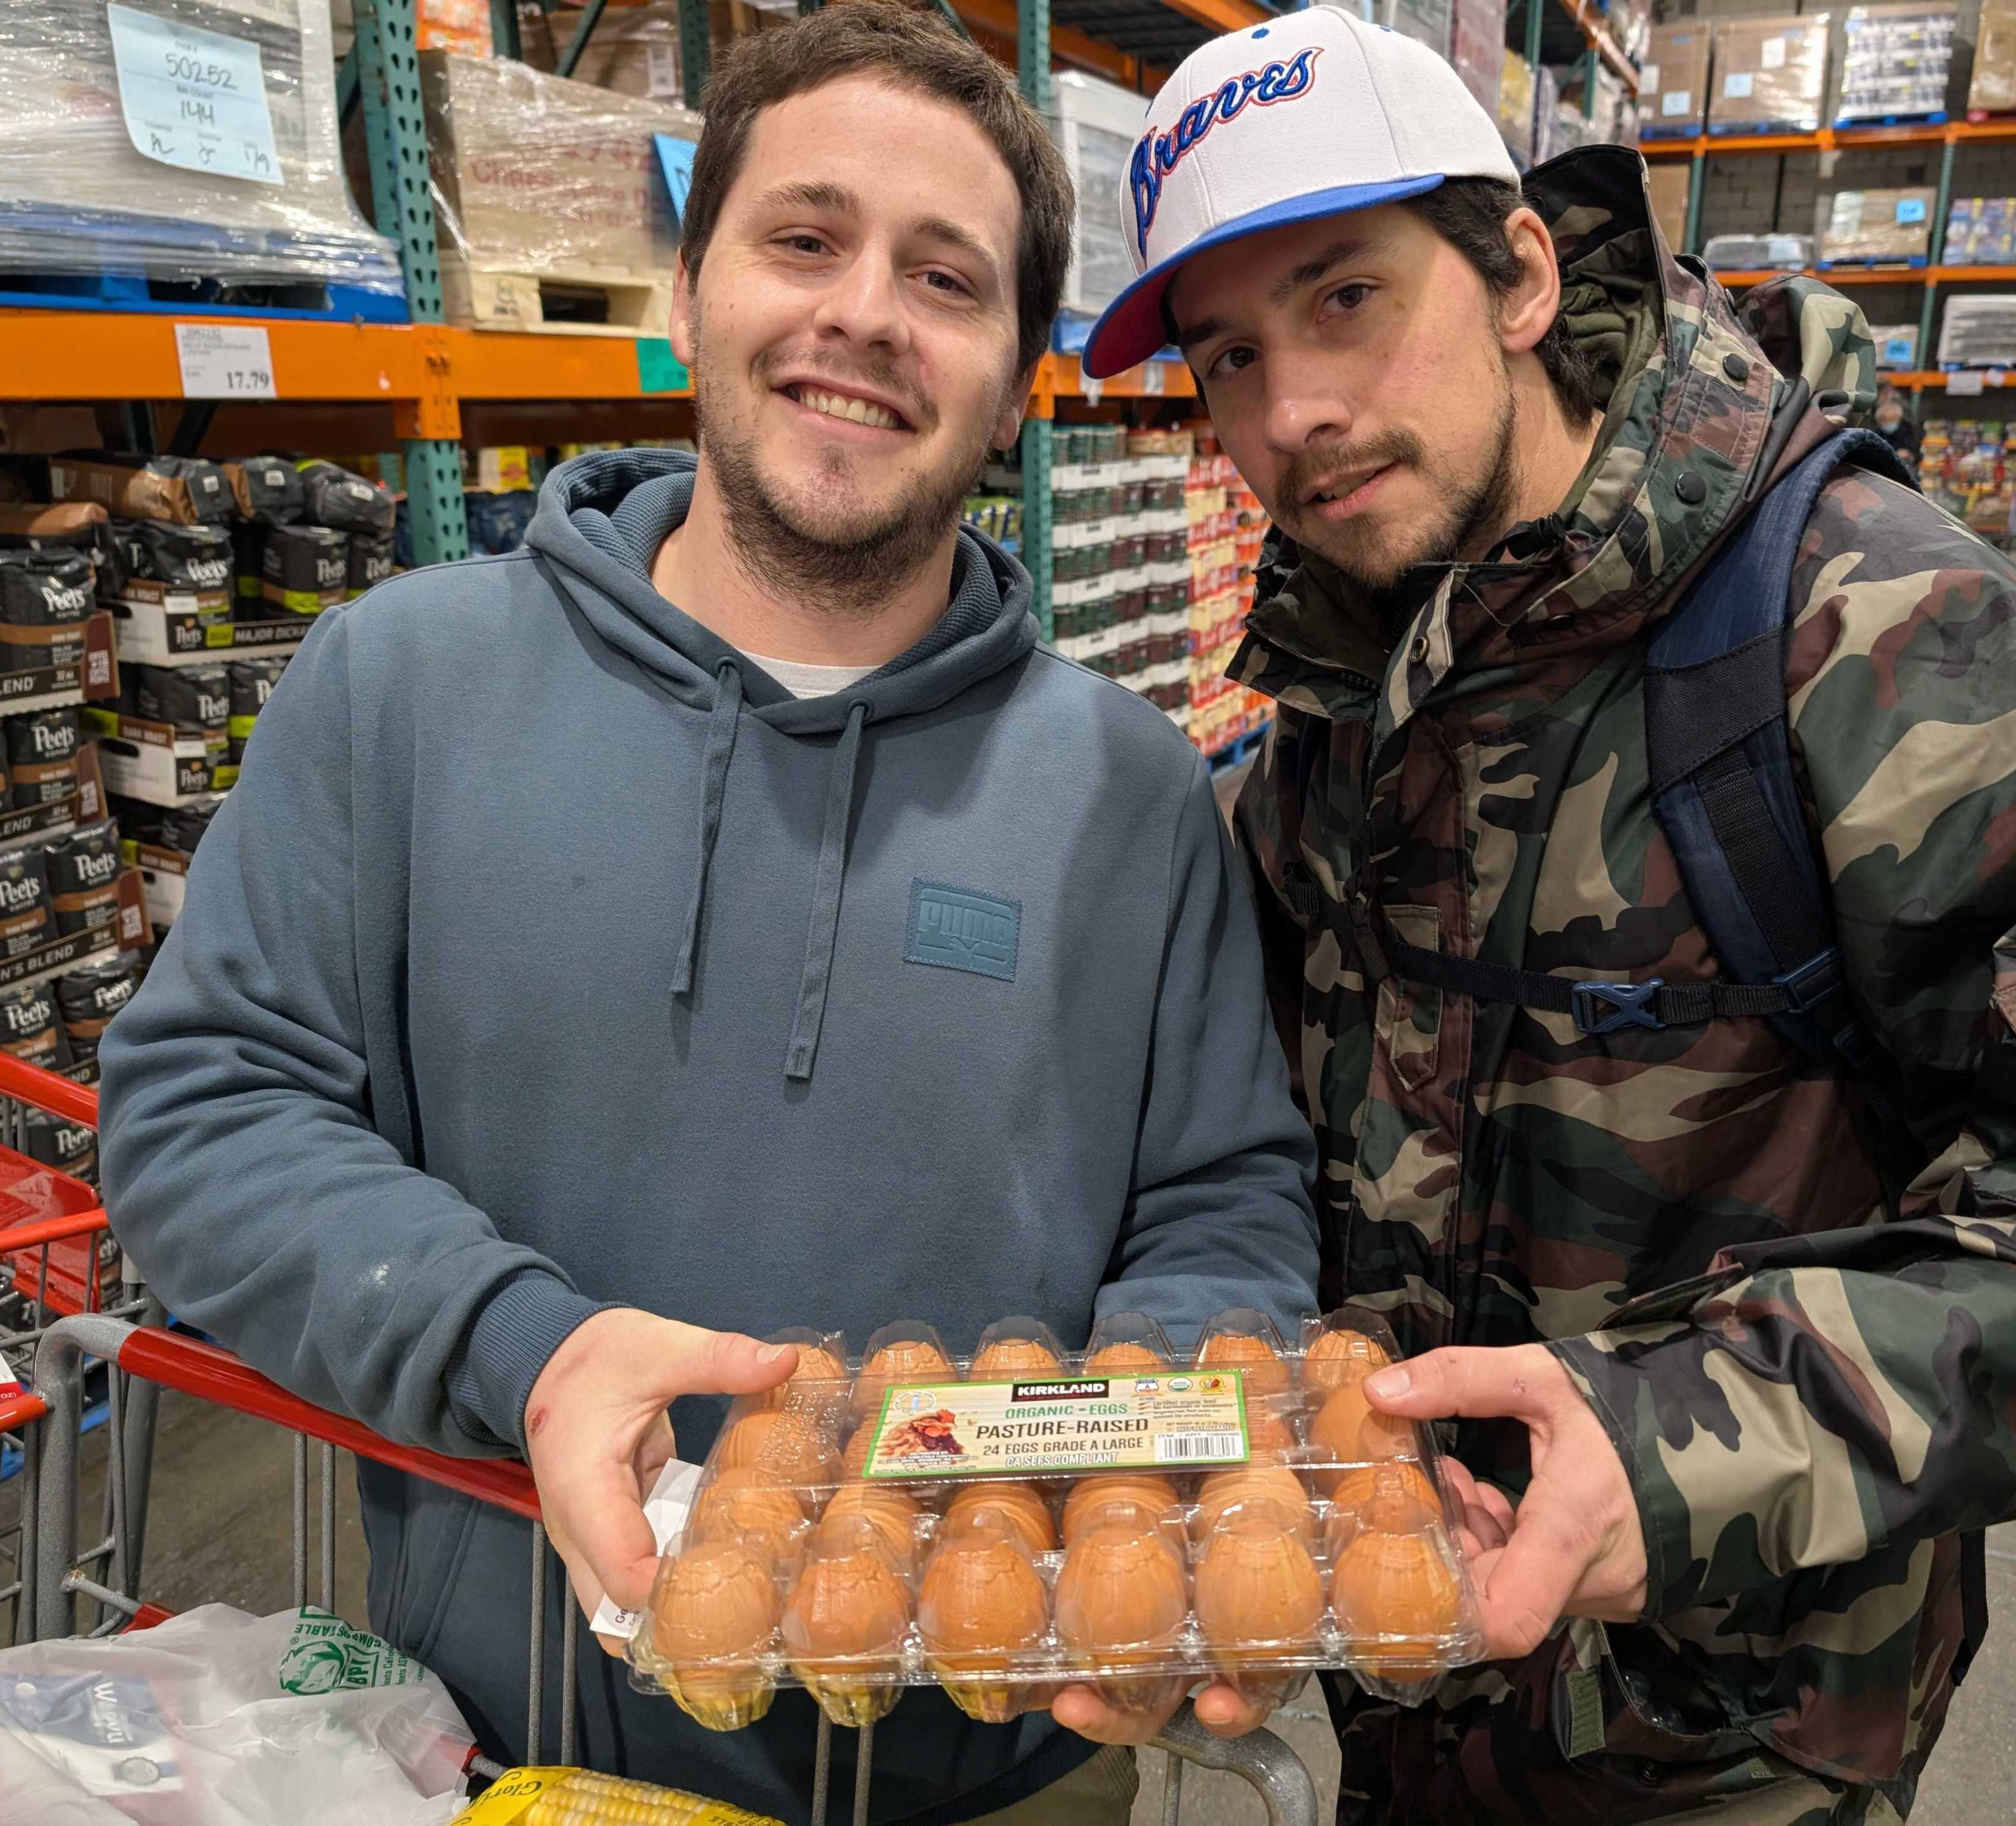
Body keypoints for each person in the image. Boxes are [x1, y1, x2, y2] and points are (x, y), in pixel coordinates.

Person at [1086, 9, 2016, 1822]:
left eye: (1348, 300)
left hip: (1733, 1737)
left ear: (1517, 271)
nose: (1292, 417)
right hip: (1403, 1683)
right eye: (1227, 357)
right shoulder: (1343, 686)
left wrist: (1672, 1453)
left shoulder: (1865, 628)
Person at [98, 8, 1319, 1822]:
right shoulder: (402, 687)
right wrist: (529, 1346)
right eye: (803, 240)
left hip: (1007, 1769)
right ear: (689, 287)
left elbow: (1223, 1208)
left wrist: (1134, 1499)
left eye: (947, 278)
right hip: (499, 1750)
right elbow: (202, 1112)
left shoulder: (1134, 792)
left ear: (1016, 379)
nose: (864, 318)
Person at [1870, 383, 1918, 460]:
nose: (1889, 423)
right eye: (1884, 419)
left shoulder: (1907, 430)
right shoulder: (1875, 434)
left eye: (1892, 419)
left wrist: (1909, 455)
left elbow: (1915, 452)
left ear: (1899, 418)